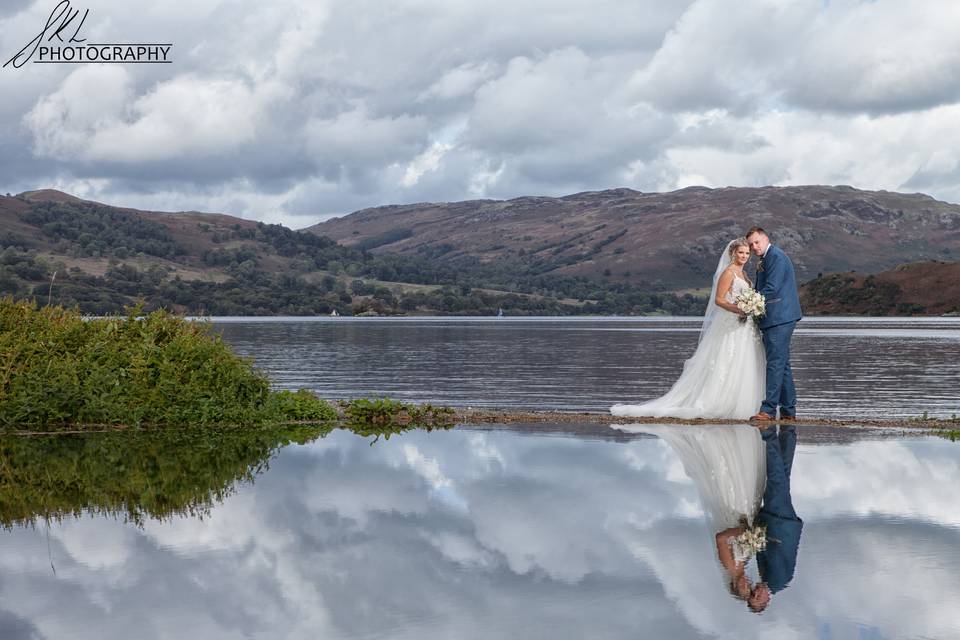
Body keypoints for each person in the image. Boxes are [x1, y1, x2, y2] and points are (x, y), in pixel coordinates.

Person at [610, 238, 765, 420]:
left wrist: (752, 308)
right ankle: (720, 403)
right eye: (741, 252)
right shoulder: (728, 273)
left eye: (747, 253)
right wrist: (738, 309)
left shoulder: (743, 274)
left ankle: (742, 404)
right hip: (732, 322)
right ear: (733, 253)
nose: (745, 256)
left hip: (745, 326)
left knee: (743, 362)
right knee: (727, 360)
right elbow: (719, 300)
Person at [745, 228, 803, 422]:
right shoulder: (766, 258)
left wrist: (749, 302)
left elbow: (771, 288)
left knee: (775, 364)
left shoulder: (776, 257)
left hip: (780, 317)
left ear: (766, 239)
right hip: (777, 318)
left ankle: (768, 410)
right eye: (751, 244)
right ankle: (788, 411)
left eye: (756, 242)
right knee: (782, 364)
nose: (754, 247)